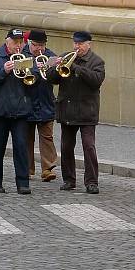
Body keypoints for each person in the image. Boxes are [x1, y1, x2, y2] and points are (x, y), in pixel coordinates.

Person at [47, 31, 105, 194]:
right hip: (67, 110)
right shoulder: (66, 56)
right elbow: (52, 79)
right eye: (75, 43)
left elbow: (96, 81)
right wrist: (56, 67)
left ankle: (92, 182)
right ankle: (69, 180)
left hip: (87, 111)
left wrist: (76, 68)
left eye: (80, 44)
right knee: (66, 147)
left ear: (88, 44)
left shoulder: (97, 62)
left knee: (89, 147)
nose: (76, 47)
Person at [0, 29, 34, 194]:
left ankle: (23, 183)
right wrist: (3, 70)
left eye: (21, 42)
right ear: (7, 41)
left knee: (21, 147)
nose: (18, 45)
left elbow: (34, 80)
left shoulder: (25, 56)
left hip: (20, 109)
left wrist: (33, 73)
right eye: (15, 42)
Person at [22, 29, 58, 182]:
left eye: (42, 45)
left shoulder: (49, 55)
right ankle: (28, 168)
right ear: (29, 43)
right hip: (26, 102)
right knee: (26, 138)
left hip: (45, 101)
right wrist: (38, 68)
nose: (39, 49)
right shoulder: (22, 55)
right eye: (36, 45)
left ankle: (48, 168)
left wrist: (55, 68)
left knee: (47, 137)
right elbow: (23, 74)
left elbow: (56, 79)